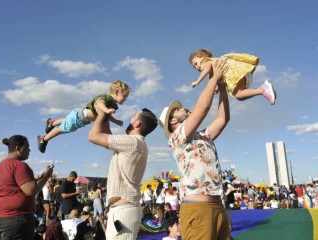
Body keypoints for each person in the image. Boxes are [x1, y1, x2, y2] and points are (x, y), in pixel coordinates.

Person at [159, 59, 231, 240]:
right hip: (198, 208)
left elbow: (223, 118)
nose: (183, 107)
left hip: (217, 206)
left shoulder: (202, 135)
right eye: (177, 110)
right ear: (173, 121)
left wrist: (222, 87)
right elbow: (203, 108)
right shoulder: (176, 137)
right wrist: (213, 79)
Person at [88, 104, 158, 240]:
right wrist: (106, 119)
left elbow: (93, 136)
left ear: (137, 123)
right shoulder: (136, 143)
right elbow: (107, 137)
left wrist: (101, 114)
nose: (130, 119)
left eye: (133, 116)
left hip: (124, 212)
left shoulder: (132, 142)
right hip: (123, 210)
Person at [0, 135, 54, 240]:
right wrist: (47, 175)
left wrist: (2, 207)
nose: (29, 150)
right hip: (16, 220)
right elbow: (30, 190)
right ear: (18, 148)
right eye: (27, 147)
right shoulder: (19, 166)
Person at [37, 80, 130, 153]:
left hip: (80, 118)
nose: (125, 99)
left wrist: (116, 121)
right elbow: (100, 103)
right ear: (117, 92)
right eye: (124, 96)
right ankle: (44, 139)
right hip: (80, 117)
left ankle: (51, 123)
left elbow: (108, 116)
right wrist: (106, 110)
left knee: (66, 121)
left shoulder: (113, 105)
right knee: (63, 129)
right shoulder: (106, 97)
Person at [189, 48, 276, 105]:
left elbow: (207, 69)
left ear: (202, 56)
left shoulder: (206, 62)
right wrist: (217, 89)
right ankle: (262, 90)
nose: (197, 67)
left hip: (235, 73)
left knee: (238, 95)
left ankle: (262, 89)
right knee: (239, 96)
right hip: (241, 74)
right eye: (194, 67)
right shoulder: (214, 67)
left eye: (196, 63)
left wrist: (197, 81)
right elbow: (222, 79)